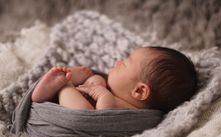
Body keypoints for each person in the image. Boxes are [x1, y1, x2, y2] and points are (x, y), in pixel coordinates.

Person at [31, 46, 197, 112]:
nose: (118, 62)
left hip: (82, 112)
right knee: (90, 75)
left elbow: (101, 117)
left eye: (125, 64)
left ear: (139, 91)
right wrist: (95, 82)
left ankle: (61, 86)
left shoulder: (133, 111)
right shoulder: (118, 91)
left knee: (84, 110)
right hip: (83, 95)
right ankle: (57, 82)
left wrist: (103, 95)